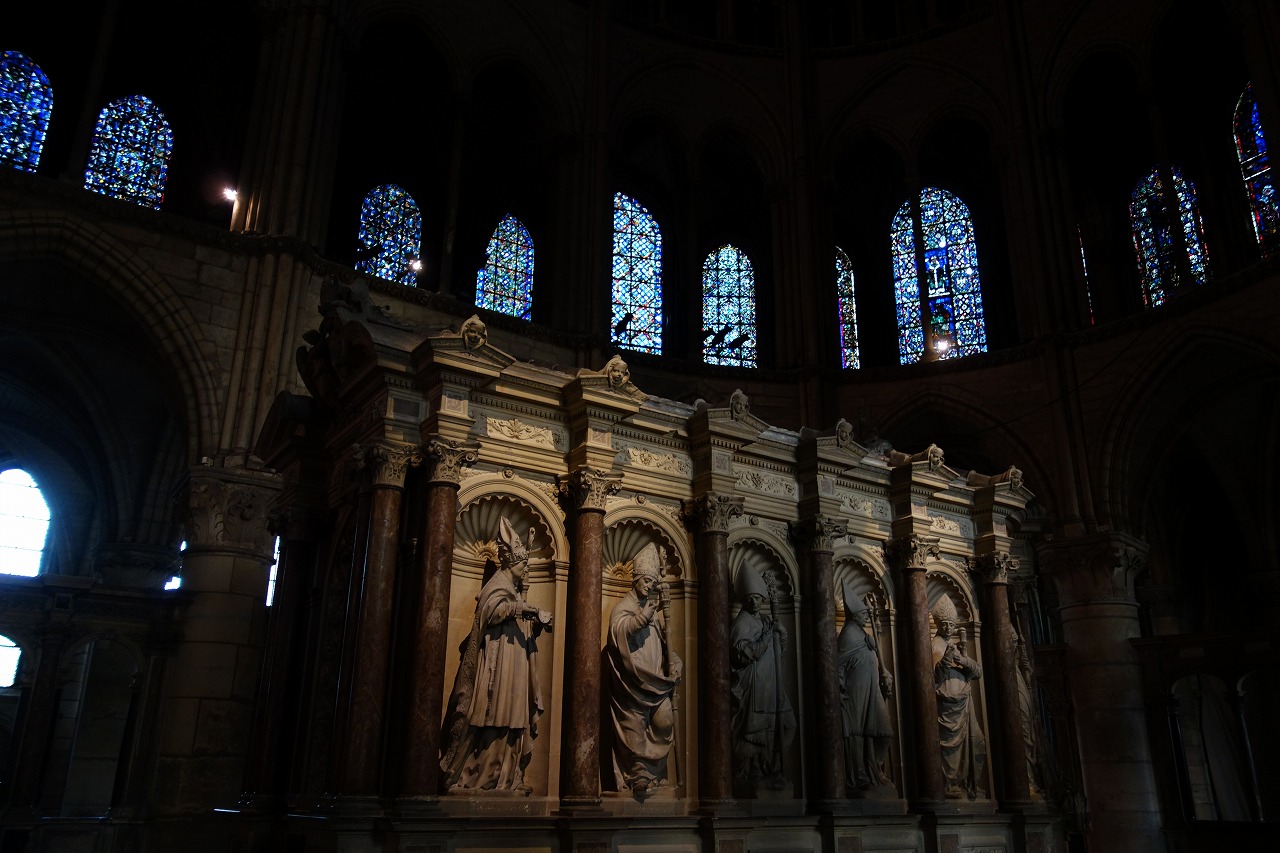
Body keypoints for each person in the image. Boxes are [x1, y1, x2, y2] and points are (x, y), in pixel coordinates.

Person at [439, 517, 552, 793]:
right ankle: (477, 774)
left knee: (514, 718)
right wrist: (522, 609)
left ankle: (508, 777)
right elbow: (490, 611)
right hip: (497, 663)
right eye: (523, 564)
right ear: (511, 563)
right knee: (492, 716)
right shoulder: (497, 584)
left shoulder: (513, 589)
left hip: (515, 662)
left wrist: (536, 622)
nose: (526, 568)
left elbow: (520, 623)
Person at [605, 542, 683, 799]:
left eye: (653, 582)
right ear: (636, 579)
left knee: (665, 720)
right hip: (632, 683)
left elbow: (664, 647)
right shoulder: (624, 608)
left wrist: (676, 663)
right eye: (647, 580)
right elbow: (618, 633)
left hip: (656, 683)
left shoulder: (652, 614)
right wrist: (643, 617)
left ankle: (654, 773)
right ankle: (638, 776)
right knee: (634, 727)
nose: (649, 585)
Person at [729, 567, 796, 790]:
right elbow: (742, 654)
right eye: (750, 598)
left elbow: (779, 651)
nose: (754, 602)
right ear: (744, 600)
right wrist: (765, 640)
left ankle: (771, 766)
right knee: (756, 732)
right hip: (754, 686)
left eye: (758, 598)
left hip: (771, 684)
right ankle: (753, 771)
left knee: (787, 724)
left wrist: (781, 634)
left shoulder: (767, 621)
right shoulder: (741, 623)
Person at [837, 584, 895, 792]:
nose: (865, 617)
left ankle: (875, 768)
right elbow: (838, 664)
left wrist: (885, 674)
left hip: (872, 690)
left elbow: (872, 660)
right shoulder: (848, 635)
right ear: (854, 616)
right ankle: (861, 774)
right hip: (855, 693)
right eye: (862, 614)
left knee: (883, 732)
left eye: (865, 614)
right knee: (858, 733)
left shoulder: (862, 634)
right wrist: (840, 689)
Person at [931, 594, 987, 799]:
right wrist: (946, 661)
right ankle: (950, 784)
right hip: (947, 707)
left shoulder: (955, 647)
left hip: (964, 704)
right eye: (944, 624)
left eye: (951, 624)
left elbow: (977, 672)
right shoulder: (934, 646)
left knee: (978, 743)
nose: (948, 628)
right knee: (949, 748)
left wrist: (962, 659)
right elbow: (934, 678)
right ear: (938, 624)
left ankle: (968, 783)